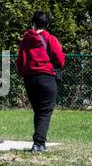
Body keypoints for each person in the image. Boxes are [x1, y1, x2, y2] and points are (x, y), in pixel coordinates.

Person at [16, 11, 66, 153]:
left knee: (38, 111)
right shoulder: (50, 39)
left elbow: (19, 60)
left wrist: (23, 73)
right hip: (46, 78)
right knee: (45, 111)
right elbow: (60, 59)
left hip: (29, 79)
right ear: (47, 24)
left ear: (33, 23)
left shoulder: (25, 40)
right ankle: (39, 144)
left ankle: (38, 141)